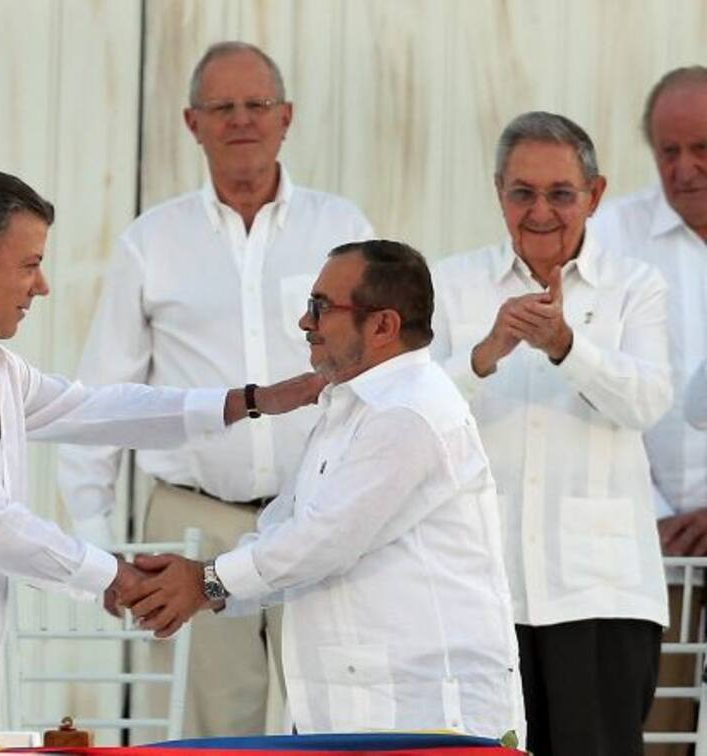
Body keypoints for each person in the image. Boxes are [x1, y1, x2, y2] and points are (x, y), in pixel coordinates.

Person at [0, 165, 323, 731]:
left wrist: (247, 401)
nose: (43, 286)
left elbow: (98, 408)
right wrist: (112, 576)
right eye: (30, 265)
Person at [56, 40, 372, 737]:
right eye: (221, 107)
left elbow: (384, 370)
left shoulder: (342, 232)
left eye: (257, 105)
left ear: (286, 117)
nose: (241, 121)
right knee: (206, 738)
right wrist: (95, 542)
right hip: (194, 524)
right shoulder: (152, 241)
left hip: (318, 522)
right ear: (191, 122)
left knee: (333, 724)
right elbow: (103, 401)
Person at [119, 240, 524, 740]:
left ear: (383, 326)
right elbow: (284, 531)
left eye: (321, 307)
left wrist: (207, 582)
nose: (305, 323)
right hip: (358, 710)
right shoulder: (351, 406)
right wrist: (209, 591)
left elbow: (324, 541)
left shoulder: (409, 410)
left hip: (424, 717)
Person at [431, 111, 671, 756]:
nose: (541, 211)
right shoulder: (453, 285)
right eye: (522, 193)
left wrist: (568, 346)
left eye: (561, 193)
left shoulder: (636, 288)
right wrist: (486, 352)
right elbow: (410, 419)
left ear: (594, 195)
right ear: (498, 192)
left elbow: (648, 401)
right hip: (480, 589)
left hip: (602, 589)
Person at [589, 67, 707, 753]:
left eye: (702, 149)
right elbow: (589, 381)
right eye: (668, 151)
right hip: (648, 547)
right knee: (652, 735)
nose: (684, 169)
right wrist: (653, 510)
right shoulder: (611, 238)